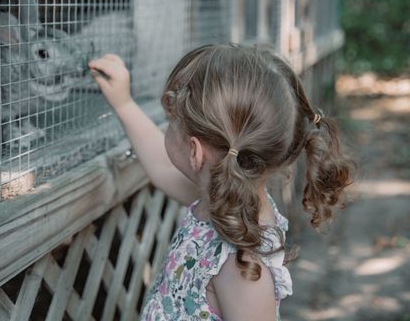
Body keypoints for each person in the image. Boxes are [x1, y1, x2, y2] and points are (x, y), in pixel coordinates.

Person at [87, 44, 355, 321]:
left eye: (171, 122)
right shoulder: (226, 199)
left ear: (195, 152)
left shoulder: (242, 266)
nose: (167, 126)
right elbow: (162, 166)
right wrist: (123, 104)